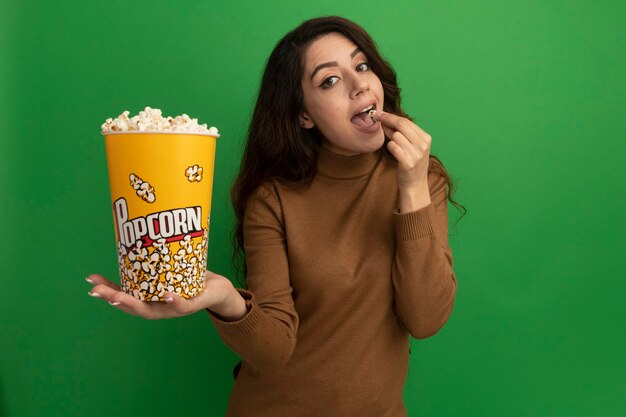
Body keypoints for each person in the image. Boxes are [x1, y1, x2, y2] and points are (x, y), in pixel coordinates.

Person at [87, 15, 465, 417]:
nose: (359, 86)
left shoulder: (422, 179)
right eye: (329, 81)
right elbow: (274, 351)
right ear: (304, 115)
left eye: (361, 65)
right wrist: (226, 298)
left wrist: (412, 188)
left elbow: (425, 319)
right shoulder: (273, 199)